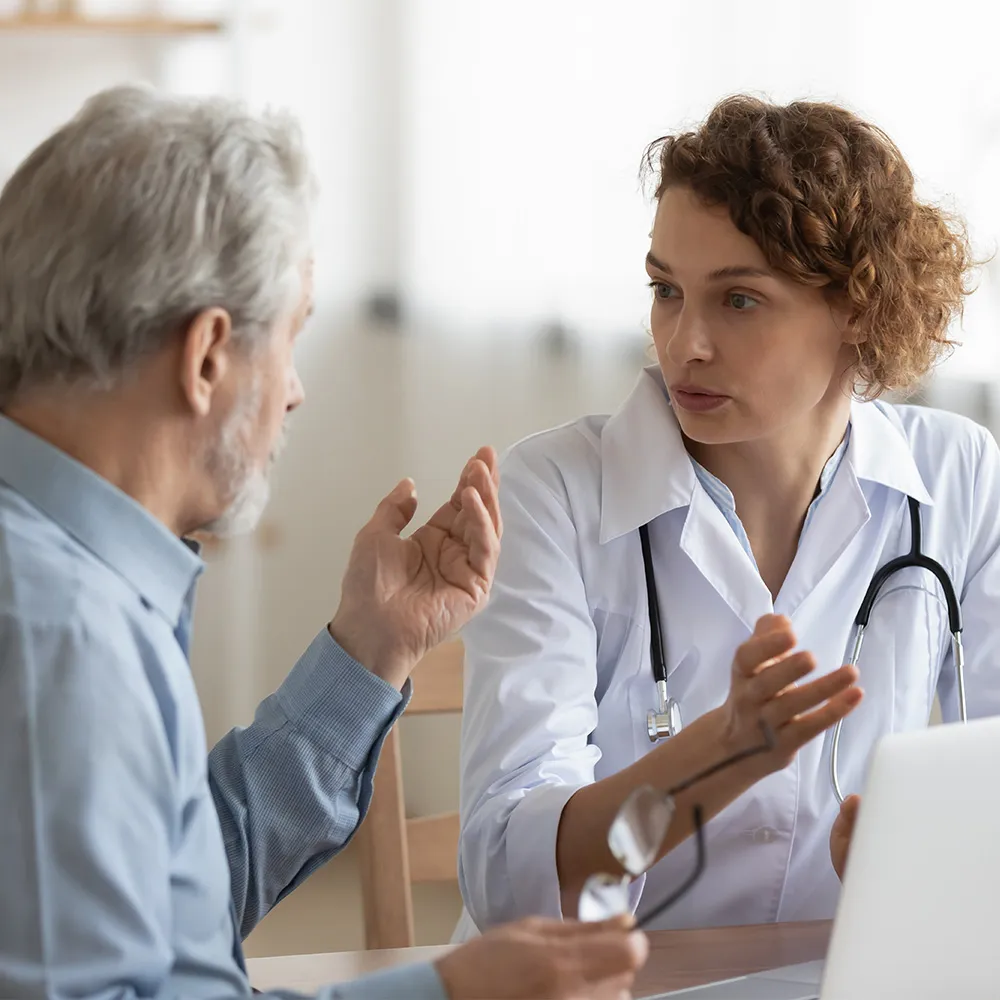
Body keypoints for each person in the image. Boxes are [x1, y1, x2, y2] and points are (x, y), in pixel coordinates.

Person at [0, 84, 656, 1000]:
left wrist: (368, 651)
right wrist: (448, 994)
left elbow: (163, 907)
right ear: (208, 358)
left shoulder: (71, 581)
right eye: (293, 338)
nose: (297, 390)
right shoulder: (56, 633)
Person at [455, 94, 1000, 938]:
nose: (685, 343)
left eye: (738, 300)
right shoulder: (553, 491)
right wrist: (719, 753)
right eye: (666, 291)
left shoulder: (959, 477)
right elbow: (510, 876)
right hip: (609, 984)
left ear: (858, 304)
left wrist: (924, 866)